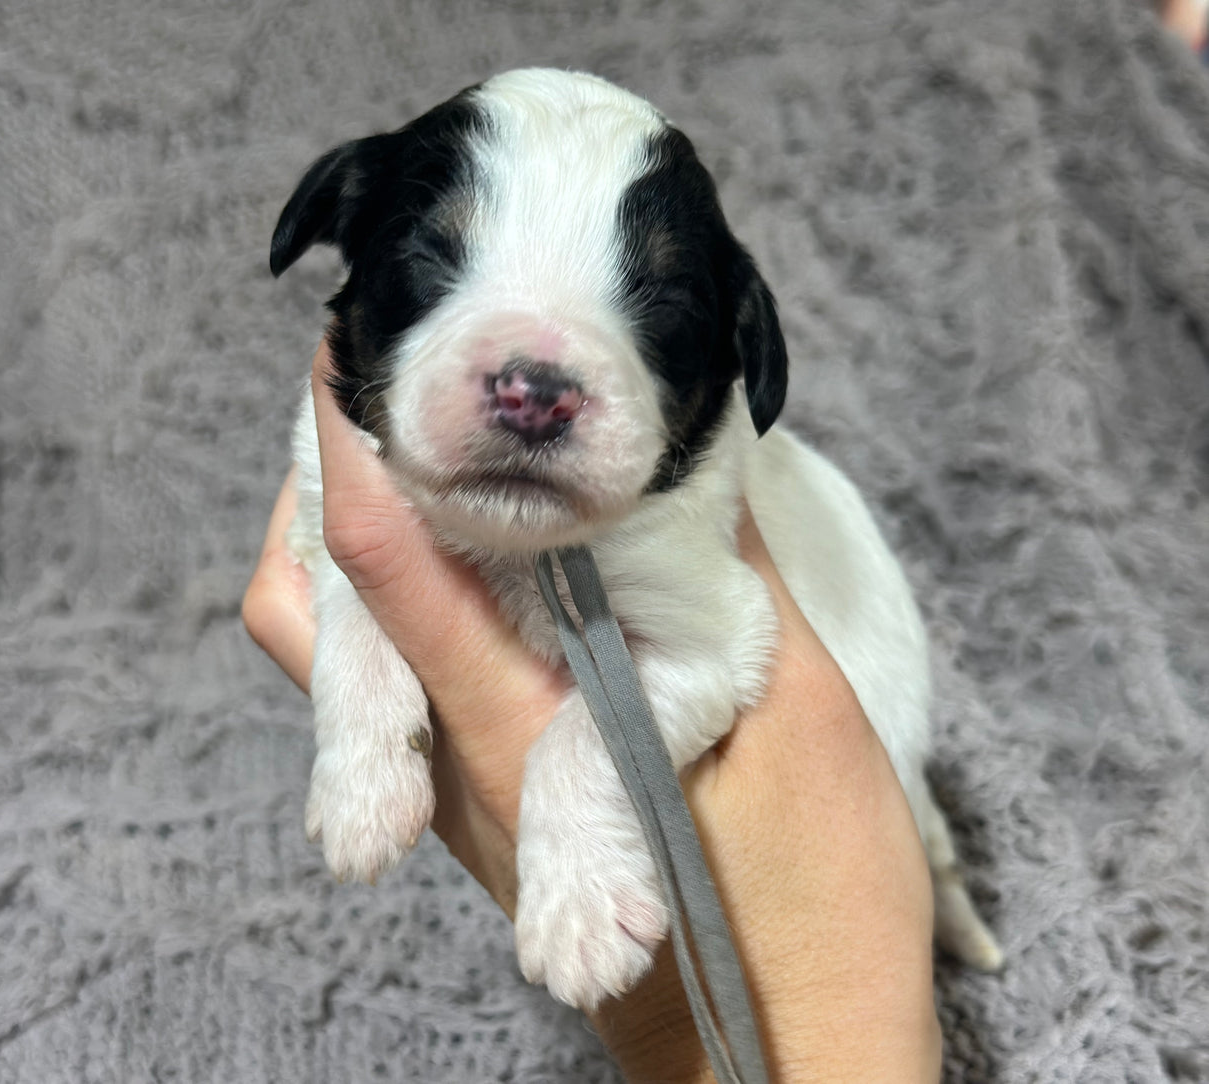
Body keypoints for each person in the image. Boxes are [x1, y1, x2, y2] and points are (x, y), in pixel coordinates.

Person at [243, 342, 944, 1083]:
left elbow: (708, 650)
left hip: (846, 830)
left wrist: (681, 1022)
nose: (530, 400)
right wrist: (364, 722)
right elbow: (351, 549)